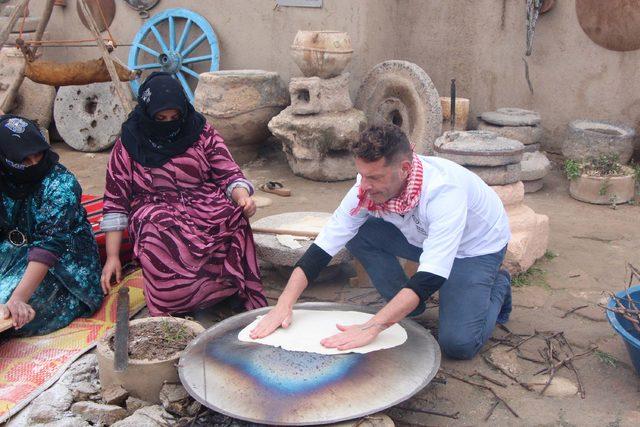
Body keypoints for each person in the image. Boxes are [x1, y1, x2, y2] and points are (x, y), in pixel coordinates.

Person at [251, 124, 512, 360]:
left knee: (458, 344)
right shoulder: (366, 187)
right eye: (362, 174)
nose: (364, 185)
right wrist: (283, 304)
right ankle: (408, 308)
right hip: (423, 237)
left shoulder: (444, 192)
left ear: (405, 169)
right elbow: (322, 248)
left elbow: (431, 275)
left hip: (474, 249)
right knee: (358, 233)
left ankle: (498, 285)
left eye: (374, 177)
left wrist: (373, 326)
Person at [100, 72, 266, 316]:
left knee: (231, 215)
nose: (169, 123)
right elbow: (115, 202)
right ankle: (176, 302)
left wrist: (242, 197)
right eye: (161, 118)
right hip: (154, 206)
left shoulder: (200, 131)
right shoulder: (130, 142)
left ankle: (222, 293)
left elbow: (228, 172)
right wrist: (112, 256)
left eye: (175, 117)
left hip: (202, 200)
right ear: (148, 114)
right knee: (158, 226)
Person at [0, 114, 103, 336]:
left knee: (7, 305)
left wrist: (19, 298)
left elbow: (49, 245)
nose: (34, 163)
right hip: (12, 250)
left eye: (38, 154)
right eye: (24, 160)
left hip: (64, 264)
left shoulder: (60, 184)